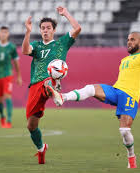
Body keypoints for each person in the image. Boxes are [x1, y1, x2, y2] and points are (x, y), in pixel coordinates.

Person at [48, 32, 140, 169]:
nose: (129, 42)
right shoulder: (124, 60)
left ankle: (131, 156)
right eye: (128, 39)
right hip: (116, 91)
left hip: (130, 96)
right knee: (90, 88)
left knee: (124, 131)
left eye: (132, 40)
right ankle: (63, 97)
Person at [21, 6, 81, 164]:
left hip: (50, 80)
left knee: (48, 82)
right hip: (35, 85)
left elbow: (77, 28)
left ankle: (54, 90)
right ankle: (41, 148)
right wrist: (27, 31)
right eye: (42, 28)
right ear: (40, 31)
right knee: (31, 125)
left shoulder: (61, 43)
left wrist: (66, 13)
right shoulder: (37, 46)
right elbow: (25, 50)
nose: (45, 30)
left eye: (48, 28)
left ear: (54, 30)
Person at [0, 26, 22, 128]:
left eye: (5, 32)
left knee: (7, 96)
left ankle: (8, 120)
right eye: (2, 32)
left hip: (7, 75)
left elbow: (16, 61)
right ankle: (2, 116)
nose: (3, 34)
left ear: (8, 34)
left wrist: (19, 76)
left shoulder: (12, 47)